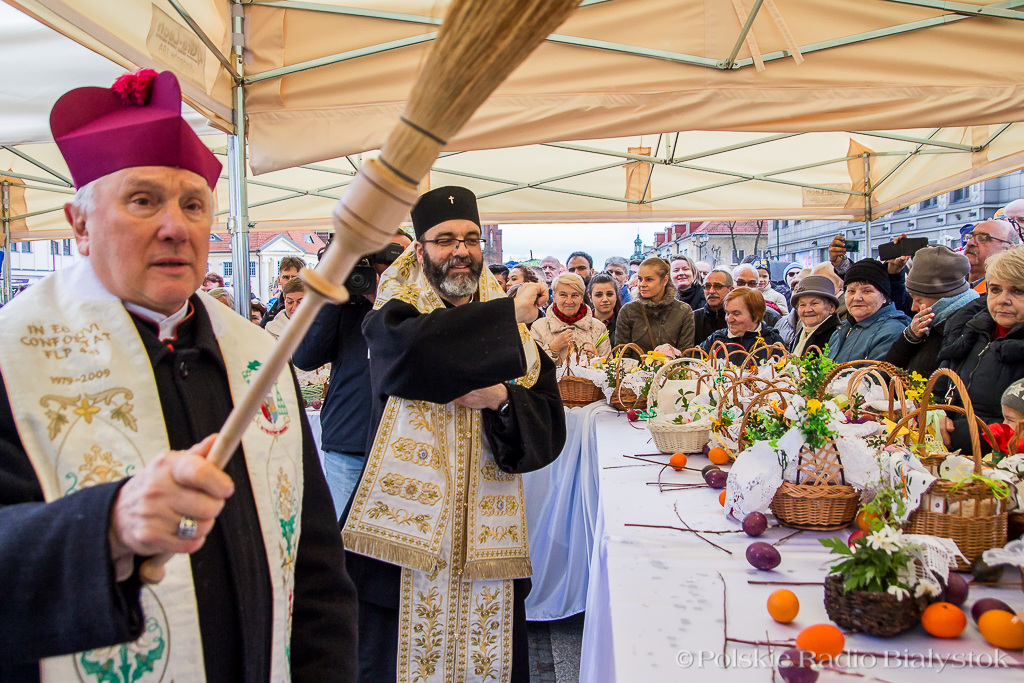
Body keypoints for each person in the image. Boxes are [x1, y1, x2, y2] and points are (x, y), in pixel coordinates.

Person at [0, 70, 356, 682]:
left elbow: (316, 567)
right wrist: (108, 525)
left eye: (193, 205)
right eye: (143, 200)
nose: (176, 226)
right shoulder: (12, 357)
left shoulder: (256, 355)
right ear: (79, 226)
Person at [344, 185, 566, 683]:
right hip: (402, 547)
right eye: (444, 240)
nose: (460, 251)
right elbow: (410, 357)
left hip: (487, 549)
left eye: (470, 238)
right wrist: (505, 315)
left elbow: (550, 426)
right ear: (419, 249)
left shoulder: (524, 342)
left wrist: (501, 399)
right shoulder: (392, 316)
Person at [294, 233, 412, 517]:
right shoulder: (345, 303)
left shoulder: (422, 305)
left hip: (409, 447)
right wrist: (333, 293)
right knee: (348, 548)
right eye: (375, 258)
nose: (384, 268)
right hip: (350, 442)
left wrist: (385, 300)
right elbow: (305, 357)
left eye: (395, 258)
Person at [938, 246, 1024, 454]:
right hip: (959, 464)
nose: (1002, 299)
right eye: (995, 289)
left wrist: (960, 433)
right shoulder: (971, 332)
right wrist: (936, 416)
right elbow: (941, 387)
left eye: (1018, 291)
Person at [883, 246, 978, 376]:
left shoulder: (965, 328)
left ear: (943, 297)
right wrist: (909, 339)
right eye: (912, 299)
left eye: (919, 301)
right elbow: (889, 372)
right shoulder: (931, 324)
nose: (913, 308)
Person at [827, 259, 911, 363]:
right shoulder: (841, 328)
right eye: (851, 291)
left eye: (867, 291)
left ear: (884, 297)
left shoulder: (892, 331)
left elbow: (874, 377)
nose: (857, 298)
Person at [615, 257, 694, 355]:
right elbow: (621, 354)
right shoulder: (628, 311)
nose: (642, 284)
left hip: (672, 369)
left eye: (649, 279)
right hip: (634, 370)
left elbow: (686, 354)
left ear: (665, 281)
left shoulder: (683, 311)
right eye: (640, 279)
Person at [530, 272, 611, 364]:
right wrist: (552, 348)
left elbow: (610, 368)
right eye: (563, 295)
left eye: (575, 295)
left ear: (582, 298)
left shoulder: (598, 327)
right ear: (555, 297)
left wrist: (596, 360)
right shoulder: (538, 327)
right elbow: (531, 367)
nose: (569, 301)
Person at [699, 288, 785, 364]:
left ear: (756, 315)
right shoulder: (716, 339)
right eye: (727, 313)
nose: (729, 319)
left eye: (736, 314)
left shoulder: (772, 341)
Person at [785, 276, 841, 357]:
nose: (807, 310)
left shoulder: (836, 335)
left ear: (831, 307)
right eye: (802, 305)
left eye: (814, 303)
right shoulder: (802, 332)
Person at [963, 219, 1019, 294]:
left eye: (982, 238)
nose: (970, 243)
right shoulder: (947, 282)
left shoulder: (1010, 292)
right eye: (970, 237)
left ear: (1008, 249)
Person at [260, 255, 305, 327]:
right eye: (286, 277)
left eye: (295, 277)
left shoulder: (316, 309)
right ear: (279, 280)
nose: (290, 281)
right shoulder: (271, 315)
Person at [693, 268, 733, 345]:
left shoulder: (736, 319)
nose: (711, 291)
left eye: (717, 286)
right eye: (707, 286)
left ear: (731, 289)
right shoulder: (693, 318)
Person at [588, 272, 621, 340]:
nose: (605, 299)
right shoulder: (582, 322)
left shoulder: (624, 323)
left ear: (616, 296)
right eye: (598, 295)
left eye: (609, 294)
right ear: (590, 297)